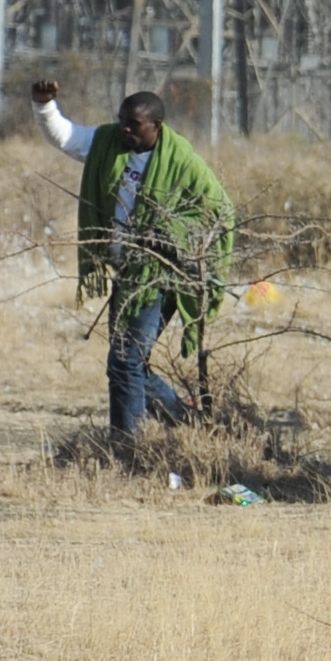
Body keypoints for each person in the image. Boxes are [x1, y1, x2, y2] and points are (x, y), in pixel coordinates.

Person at [34, 81, 235, 438]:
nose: (124, 128)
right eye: (122, 120)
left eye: (133, 123)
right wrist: (44, 105)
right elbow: (67, 137)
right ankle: (186, 423)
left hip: (159, 277)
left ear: (156, 125)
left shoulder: (184, 162)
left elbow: (219, 214)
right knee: (128, 365)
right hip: (127, 274)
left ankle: (128, 448)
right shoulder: (109, 144)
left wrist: (167, 231)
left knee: (125, 361)